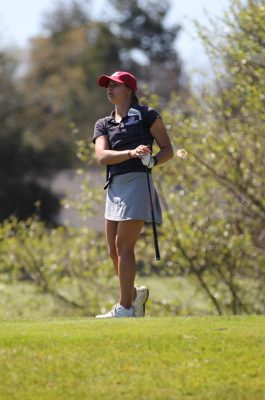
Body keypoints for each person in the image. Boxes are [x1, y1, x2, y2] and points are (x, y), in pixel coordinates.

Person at [92, 71, 173, 318]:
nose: (109, 89)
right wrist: (131, 153)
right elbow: (102, 156)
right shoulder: (103, 124)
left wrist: (152, 162)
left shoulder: (147, 115)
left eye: (114, 85)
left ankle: (125, 308)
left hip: (139, 182)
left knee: (123, 246)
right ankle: (134, 295)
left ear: (129, 89)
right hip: (115, 186)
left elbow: (168, 149)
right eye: (108, 86)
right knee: (113, 251)